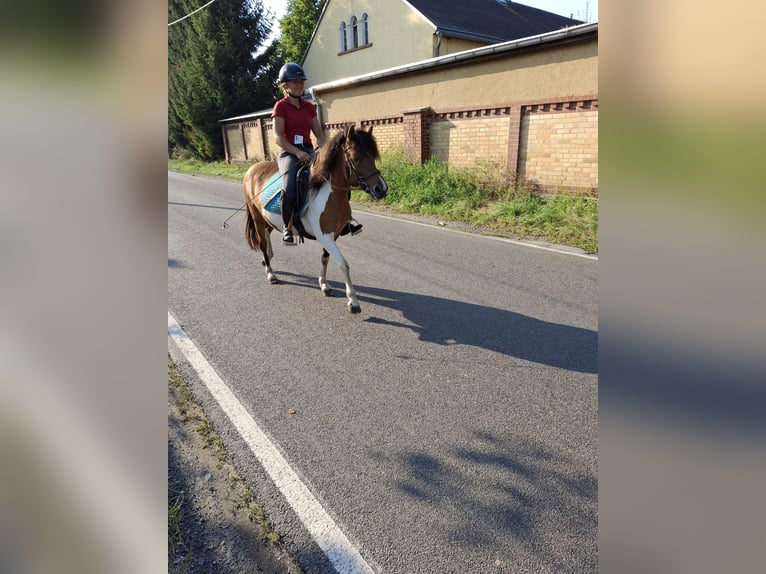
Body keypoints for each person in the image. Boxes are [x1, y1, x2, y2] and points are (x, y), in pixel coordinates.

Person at [272, 62, 362, 245]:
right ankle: (287, 227)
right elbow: (278, 137)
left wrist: (329, 151)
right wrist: (297, 153)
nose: (299, 85)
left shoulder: (309, 107)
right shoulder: (280, 107)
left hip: (309, 150)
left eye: (301, 81)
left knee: (339, 176)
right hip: (289, 153)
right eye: (294, 82)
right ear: (285, 85)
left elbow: (319, 135)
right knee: (290, 186)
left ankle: (344, 221)